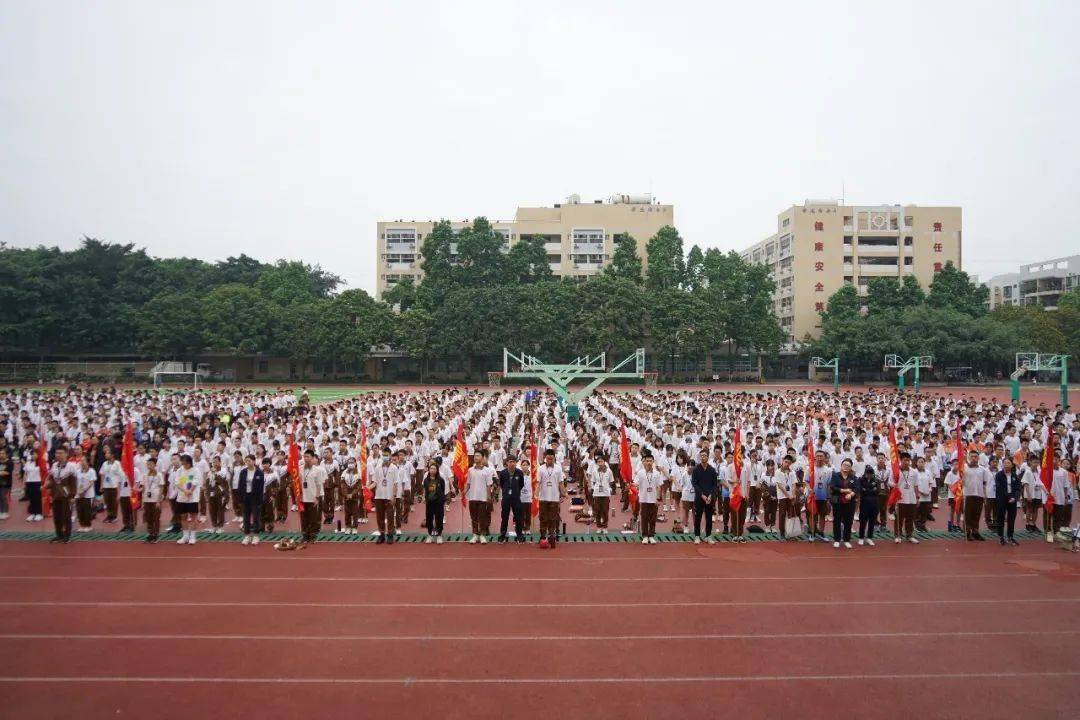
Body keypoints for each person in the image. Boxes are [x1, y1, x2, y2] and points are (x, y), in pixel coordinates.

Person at [46, 448, 76, 543]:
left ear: (66, 454)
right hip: (56, 495)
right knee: (57, 516)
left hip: (66, 495)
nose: (58, 455)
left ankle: (67, 535)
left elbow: (74, 482)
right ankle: (59, 534)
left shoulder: (72, 466)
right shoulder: (54, 465)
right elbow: (51, 479)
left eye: (60, 453)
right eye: (56, 453)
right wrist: (47, 485)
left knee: (66, 516)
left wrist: (72, 496)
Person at [536, 449, 564, 548]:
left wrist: (563, 494)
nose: (549, 460)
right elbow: (538, 483)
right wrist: (536, 494)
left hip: (554, 497)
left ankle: (552, 537)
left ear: (554, 458)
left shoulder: (558, 468)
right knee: (543, 518)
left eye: (551, 459)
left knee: (553, 518)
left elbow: (561, 482)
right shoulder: (540, 468)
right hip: (543, 497)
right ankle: (543, 536)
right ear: (545, 458)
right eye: (548, 458)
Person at [465, 450, 493, 544]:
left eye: (478, 455)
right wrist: (464, 492)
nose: (476, 457)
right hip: (472, 497)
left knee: (482, 517)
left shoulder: (487, 470)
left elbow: (489, 485)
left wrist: (489, 497)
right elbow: (468, 483)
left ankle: (482, 535)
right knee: (474, 517)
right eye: (475, 456)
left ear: (482, 457)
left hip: (483, 497)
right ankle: (475, 534)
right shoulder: (470, 470)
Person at [635, 452, 664, 544]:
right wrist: (631, 485)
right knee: (644, 518)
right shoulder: (640, 473)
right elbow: (636, 484)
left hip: (653, 499)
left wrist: (658, 499)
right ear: (644, 462)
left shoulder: (657, 473)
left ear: (653, 462)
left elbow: (659, 486)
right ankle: (644, 536)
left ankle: (651, 535)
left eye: (650, 461)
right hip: (643, 498)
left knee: (653, 518)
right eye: (647, 461)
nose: (649, 463)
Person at [236, 454, 265, 545]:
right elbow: (240, 485)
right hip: (245, 497)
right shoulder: (243, 472)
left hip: (255, 498)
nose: (247, 462)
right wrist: (240, 499)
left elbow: (261, 488)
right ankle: (247, 535)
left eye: (249, 460)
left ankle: (256, 536)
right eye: (246, 461)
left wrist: (259, 500)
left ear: (254, 461)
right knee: (246, 517)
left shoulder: (259, 472)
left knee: (256, 517)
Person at [690, 449, 717, 544]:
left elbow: (714, 485)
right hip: (699, 497)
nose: (703, 457)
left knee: (709, 517)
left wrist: (710, 495)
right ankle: (697, 536)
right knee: (698, 517)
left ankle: (708, 536)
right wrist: (701, 495)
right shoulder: (696, 470)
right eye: (701, 456)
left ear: (708, 457)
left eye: (705, 455)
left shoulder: (712, 470)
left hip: (709, 498)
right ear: (699, 457)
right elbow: (694, 483)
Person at [829, 458, 858, 548]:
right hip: (838, 501)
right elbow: (833, 487)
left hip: (850, 503)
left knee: (848, 521)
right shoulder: (835, 475)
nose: (846, 467)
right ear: (841, 466)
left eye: (848, 465)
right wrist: (844, 490)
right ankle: (837, 539)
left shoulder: (854, 477)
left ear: (850, 468)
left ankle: (846, 539)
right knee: (837, 520)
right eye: (844, 465)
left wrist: (851, 494)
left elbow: (857, 488)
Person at [496, 455, 525, 543]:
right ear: (507, 463)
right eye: (510, 462)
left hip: (516, 498)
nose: (511, 463)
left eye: (513, 462)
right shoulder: (503, 473)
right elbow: (501, 484)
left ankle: (519, 535)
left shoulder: (519, 472)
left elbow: (521, 484)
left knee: (518, 517)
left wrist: (515, 491)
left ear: (516, 463)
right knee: (504, 516)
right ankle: (503, 534)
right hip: (506, 498)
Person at [300, 449, 327, 544]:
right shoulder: (300, 468)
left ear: (312, 458)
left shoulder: (317, 470)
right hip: (303, 497)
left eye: (308, 457)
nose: (306, 458)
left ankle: (312, 535)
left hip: (313, 497)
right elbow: (298, 483)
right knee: (304, 518)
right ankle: (305, 535)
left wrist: (317, 497)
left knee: (313, 518)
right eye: (305, 457)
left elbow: (319, 485)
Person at [995, 456, 1022, 546]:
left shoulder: (1015, 475)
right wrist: (1009, 497)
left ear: (1012, 465)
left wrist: (1015, 497)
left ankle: (1010, 536)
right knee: (1001, 518)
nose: (1006, 465)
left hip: (1013, 500)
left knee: (1011, 518)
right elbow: (1000, 488)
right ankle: (1001, 536)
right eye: (1005, 463)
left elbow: (1018, 488)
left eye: (1008, 463)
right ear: (1002, 465)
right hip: (1002, 499)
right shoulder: (999, 475)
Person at [421, 461, 446, 543]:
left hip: (438, 503)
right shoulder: (426, 480)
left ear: (437, 470)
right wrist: (424, 498)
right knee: (429, 519)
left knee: (439, 518)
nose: (432, 470)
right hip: (429, 502)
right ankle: (430, 535)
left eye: (434, 469)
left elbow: (443, 490)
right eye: (431, 468)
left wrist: (442, 500)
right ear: (428, 470)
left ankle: (439, 535)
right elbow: (425, 490)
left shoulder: (441, 480)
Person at [588, 455, 613, 535]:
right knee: (597, 511)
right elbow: (594, 482)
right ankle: (599, 527)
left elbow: (611, 481)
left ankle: (605, 527)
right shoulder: (595, 471)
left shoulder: (609, 471)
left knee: (605, 511)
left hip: (605, 494)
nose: (600, 463)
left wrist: (608, 489)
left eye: (601, 461)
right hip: (597, 494)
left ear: (604, 462)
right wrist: (595, 489)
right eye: (598, 462)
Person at [857, 466, 880, 546]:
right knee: (863, 522)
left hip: (874, 504)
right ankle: (861, 537)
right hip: (864, 504)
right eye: (867, 473)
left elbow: (877, 491)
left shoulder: (877, 480)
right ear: (865, 473)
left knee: (872, 522)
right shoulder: (860, 480)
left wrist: (866, 489)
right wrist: (871, 489)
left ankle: (869, 538)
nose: (869, 475)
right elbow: (860, 490)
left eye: (871, 474)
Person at [74, 454, 96, 533]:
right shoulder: (78, 471)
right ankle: (82, 525)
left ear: (87, 462)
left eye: (83, 460)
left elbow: (91, 482)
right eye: (81, 460)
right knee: (80, 510)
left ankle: (88, 526)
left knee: (87, 510)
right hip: (79, 494)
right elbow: (76, 482)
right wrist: (78, 491)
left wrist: (84, 490)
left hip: (88, 494)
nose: (82, 462)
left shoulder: (91, 471)